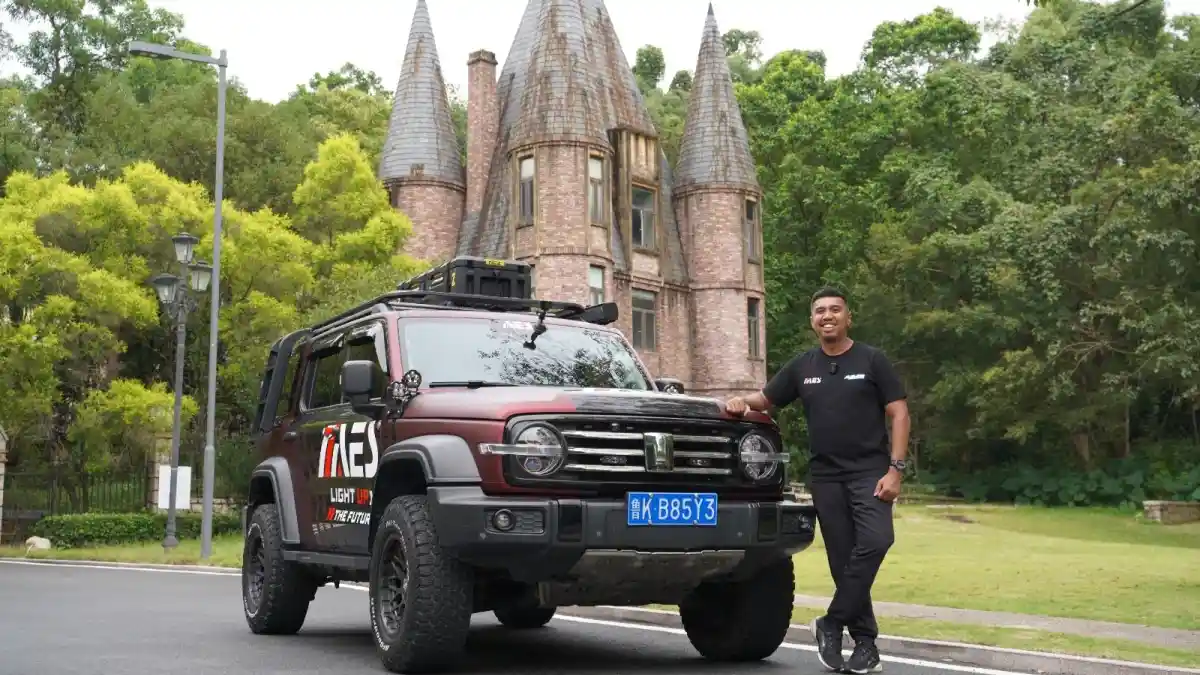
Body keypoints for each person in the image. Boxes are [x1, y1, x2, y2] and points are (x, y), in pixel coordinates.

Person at [725, 286, 910, 674]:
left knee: (877, 540)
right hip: (826, 476)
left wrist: (896, 470)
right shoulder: (802, 367)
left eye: (835, 310)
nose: (827, 316)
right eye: (820, 311)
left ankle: (831, 622)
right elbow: (766, 399)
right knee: (842, 561)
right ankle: (864, 644)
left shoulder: (872, 360)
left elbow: (899, 414)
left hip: (870, 472)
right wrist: (741, 403)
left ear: (848, 317)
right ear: (813, 320)